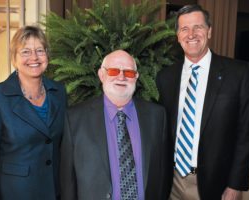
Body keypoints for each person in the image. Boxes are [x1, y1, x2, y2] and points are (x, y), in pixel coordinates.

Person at [156, 4, 249, 200]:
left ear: (209, 31)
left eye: (198, 27)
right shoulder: (165, 77)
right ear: (177, 36)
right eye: (184, 29)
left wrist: (235, 185)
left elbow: (246, 135)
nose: (191, 34)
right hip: (172, 183)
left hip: (215, 185)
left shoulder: (238, 73)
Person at [60, 50, 172, 200]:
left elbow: (164, 175)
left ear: (136, 77)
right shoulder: (74, 119)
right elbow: (68, 182)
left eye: (129, 72)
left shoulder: (157, 116)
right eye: (113, 71)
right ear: (101, 75)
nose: (122, 77)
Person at [0, 25, 67, 200]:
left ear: (47, 56)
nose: (34, 57)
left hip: (54, 192)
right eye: (25, 51)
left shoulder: (59, 92)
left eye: (40, 50)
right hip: (16, 194)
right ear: (14, 59)